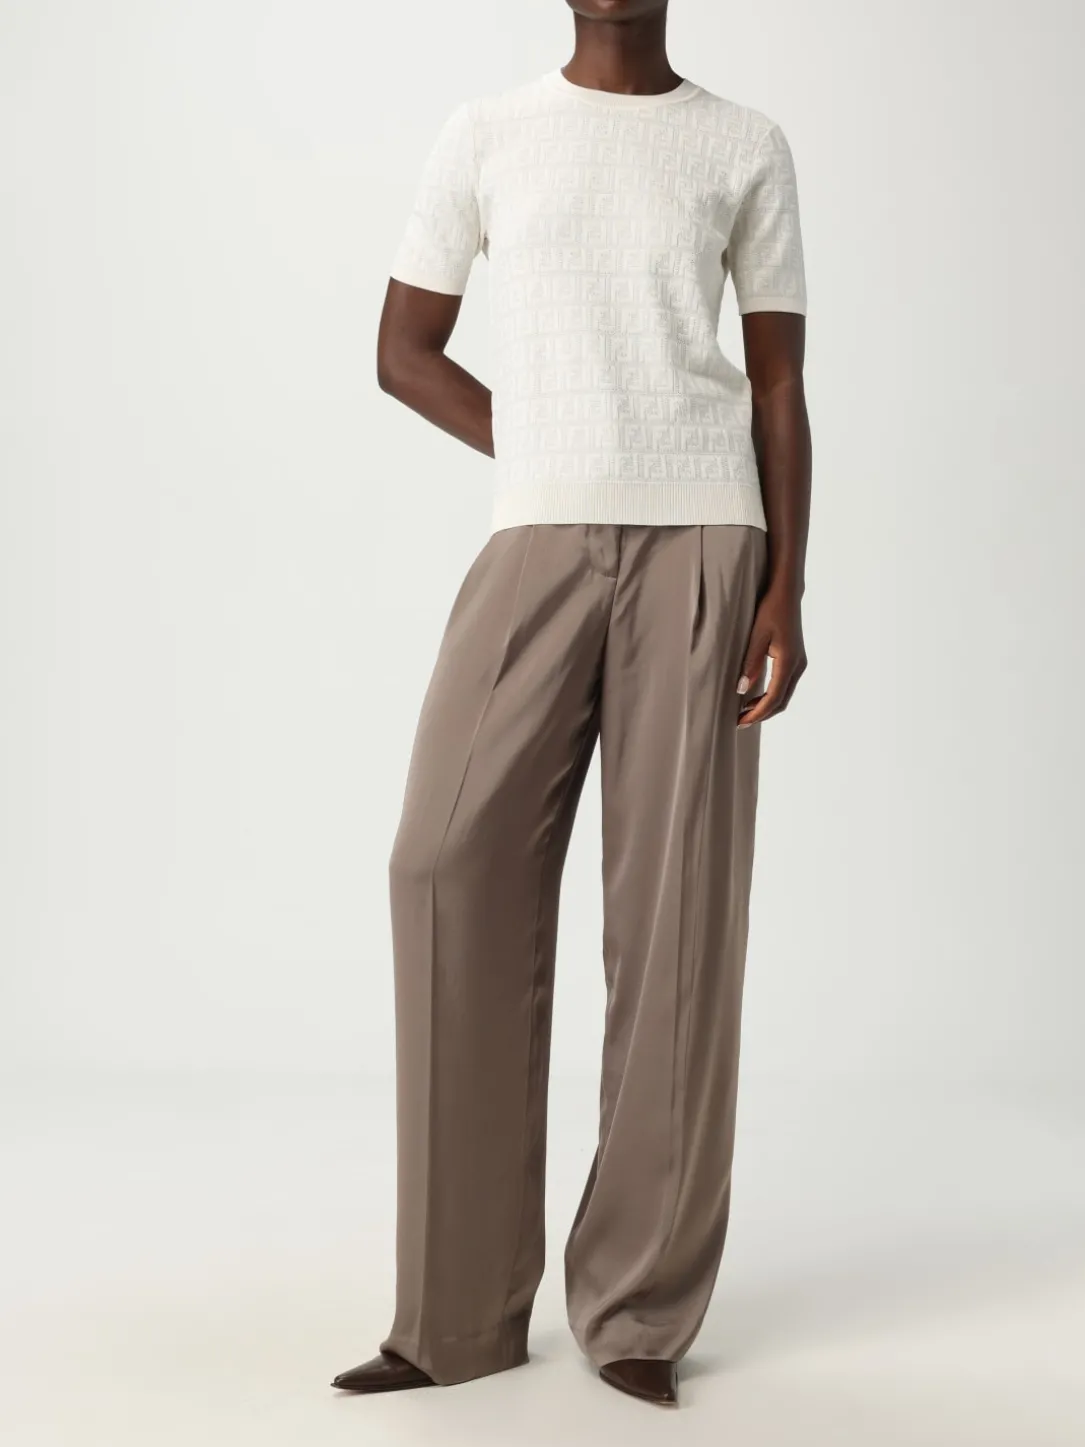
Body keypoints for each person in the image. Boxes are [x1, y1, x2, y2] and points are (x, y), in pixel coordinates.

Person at [332, 0, 810, 1409]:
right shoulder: (488, 134)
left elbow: (779, 378)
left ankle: (638, 1309)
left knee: (676, 917)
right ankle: (455, 1311)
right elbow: (402, 348)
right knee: (443, 860)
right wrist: (538, 438)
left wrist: (788, 588)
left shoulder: (744, 144)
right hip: (538, 536)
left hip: (709, 538)